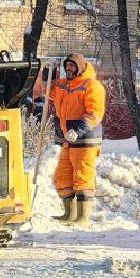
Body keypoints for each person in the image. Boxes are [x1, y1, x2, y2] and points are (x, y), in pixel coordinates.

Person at [33, 53, 106, 224]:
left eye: (72, 66)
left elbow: (95, 112)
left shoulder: (92, 85)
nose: (69, 69)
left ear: (80, 67)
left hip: (85, 140)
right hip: (68, 140)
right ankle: (70, 214)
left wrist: (78, 130)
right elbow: (47, 90)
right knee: (62, 176)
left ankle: (83, 217)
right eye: (67, 66)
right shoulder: (63, 85)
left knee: (82, 176)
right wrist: (47, 71)